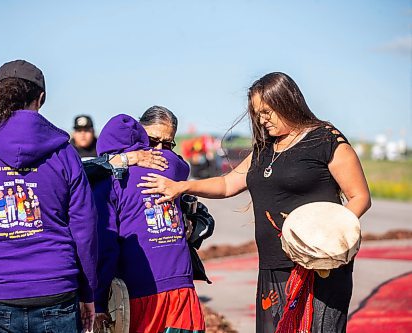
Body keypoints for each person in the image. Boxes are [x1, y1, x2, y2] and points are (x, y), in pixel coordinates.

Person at [138, 72, 371, 333]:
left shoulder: (326, 140)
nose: (262, 120)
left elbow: (359, 196)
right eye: (257, 113)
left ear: (287, 102)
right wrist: (182, 187)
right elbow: (227, 184)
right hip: (273, 265)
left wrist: (328, 237)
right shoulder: (264, 149)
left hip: (319, 266)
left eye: (267, 112)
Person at [0, 60, 98, 332]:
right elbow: (85, 227)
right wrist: (88, 291)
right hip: (56, 288)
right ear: (41, 99)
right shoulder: (65, 153)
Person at [93, 113, 205, 333]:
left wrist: (97, 300)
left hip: (140, 290)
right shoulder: (172, 167)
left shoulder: (107, 182)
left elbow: (106, 246)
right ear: (140, 139)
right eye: (153, 143)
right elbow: (181, 165)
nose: (159, 151)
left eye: (168, 144)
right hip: (181, 286)